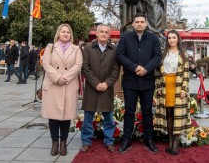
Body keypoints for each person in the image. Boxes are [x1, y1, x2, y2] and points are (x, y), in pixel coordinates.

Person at [116, 13, 162, 153]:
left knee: (147, 112)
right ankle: (126, 140)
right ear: (133, 24)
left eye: (142, 21)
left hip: (147, 82)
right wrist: (134, 67)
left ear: (146, 24)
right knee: (129, 112)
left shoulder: (153, 38)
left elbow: (157, 56)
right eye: (137, 22)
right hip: (130, 82)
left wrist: (147, 69)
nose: (140, 24)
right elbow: (119, 55)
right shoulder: (125, 38)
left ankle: (149, 139)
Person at [41, 24, 83, 156]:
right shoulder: (50, 47)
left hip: (68, 84)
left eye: (68, 32)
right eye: (63, 32)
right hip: (53, 84)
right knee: (53, 116)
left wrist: (65, 77)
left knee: (66, 116)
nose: (66, 34)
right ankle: (55, 142)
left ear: (71, 35)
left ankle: (63, 142)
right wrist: (57, 77)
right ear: (58, 34)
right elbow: (46, 64)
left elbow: (78, 65)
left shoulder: (76, 49)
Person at [80, 24, 120, 153]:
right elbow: (85, 68)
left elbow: (116, 70)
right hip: (92, 88)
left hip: (106, 88)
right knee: (88, 117)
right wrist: (96, 83)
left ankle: (109, 141)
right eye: (101, 31)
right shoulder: (88, 49)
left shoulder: (114, 50)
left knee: (108, 117)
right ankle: (86, 141)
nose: (103, 34)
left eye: (106, 32)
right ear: (96, 34)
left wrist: (106, 84)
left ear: (109, 35)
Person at [154, 30, 192, 155]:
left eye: (173, 38)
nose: (171, 40)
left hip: (178, 87)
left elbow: (186, 74)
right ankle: (170, 140)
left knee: (177, 116)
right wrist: (158, 88)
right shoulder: (163, 54)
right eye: (169, 38)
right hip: (166, 87)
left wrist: (184, 90)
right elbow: (158, 73)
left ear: (178, 39)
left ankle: (176, 141)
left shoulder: (183, 54)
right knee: (169, 114)